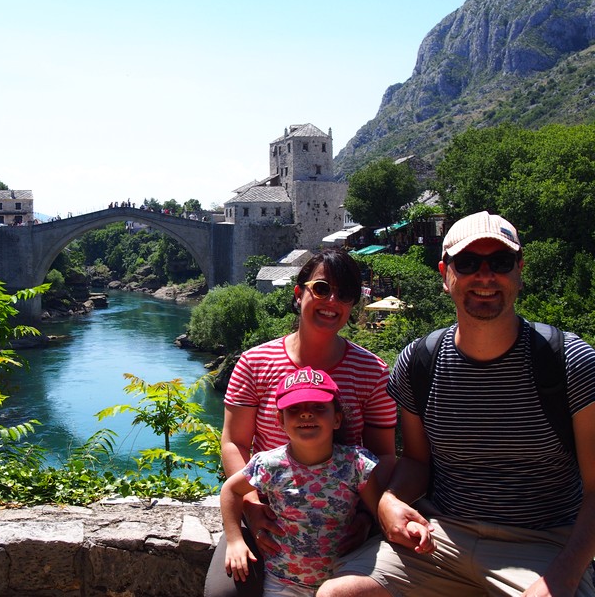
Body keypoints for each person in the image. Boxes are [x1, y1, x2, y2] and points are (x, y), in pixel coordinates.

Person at [318, 211, 595, 597]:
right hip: (439, 535)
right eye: (467, 264)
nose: (485, 276)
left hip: (543, 542)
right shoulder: (419, 361)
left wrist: (562, 577)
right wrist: (390, 501)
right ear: (445, 274)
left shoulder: (570, 362)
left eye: (499, 262)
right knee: (338, 593)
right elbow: (416, 461)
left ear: (519, 270)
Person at [205, 249, 398, 597]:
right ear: (300, 293)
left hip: (345, 520)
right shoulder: (255, 362)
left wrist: (367, 518)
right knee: (225, 593)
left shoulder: (372, 371)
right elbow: (234, 442)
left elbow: (383, 456)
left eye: (346, 294)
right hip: (267, 511)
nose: (332, 301)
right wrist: (250, 505)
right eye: (322, 288)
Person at [221, 367, 431, 596]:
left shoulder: (355, 464)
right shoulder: (269, 464)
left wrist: (406, 526)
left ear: (337, 419)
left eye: (318, 407)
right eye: (294, 409)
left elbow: (380, 512)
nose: (306, 414)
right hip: (282, 581)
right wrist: (235, 540)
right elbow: (231, 490)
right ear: (280, 421)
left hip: (342, 578)